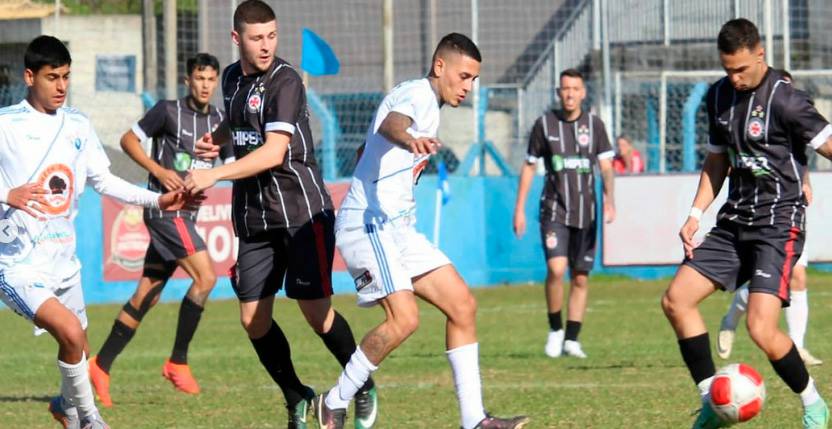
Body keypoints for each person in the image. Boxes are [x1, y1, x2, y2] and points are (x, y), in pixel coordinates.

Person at [311, 33, 528, 429]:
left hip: (398, 228)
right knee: (405, 319)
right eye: (463, 76)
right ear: (439, 66)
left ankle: (474, 420)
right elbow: (394, 125)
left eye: (473, 80)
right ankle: (335, 400)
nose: (468, 86)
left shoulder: (427, 101)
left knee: (462, 306)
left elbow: (367, 149)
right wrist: (411, 139)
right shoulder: (419, 96)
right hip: (369, 222)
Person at [183, 1, 377, 428]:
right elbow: (238, 124)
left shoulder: (286, 80)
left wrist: (212, 174)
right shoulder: (232, 77)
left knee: (316, 313)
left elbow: (273, 153)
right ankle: (297, 395)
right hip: (254, 217)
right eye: (256, 38)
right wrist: (215, 139)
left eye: (272, 35)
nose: (266, 45)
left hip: (300, 212)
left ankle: (360, 381)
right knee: (253, 319)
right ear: (237, 39)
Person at [0, 35, 195, 429]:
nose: (61, 86)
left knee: (79, 346)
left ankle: (66, 409)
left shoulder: (78, 124)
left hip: (64, 262)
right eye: (52, 77)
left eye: (66, 77)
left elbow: (104, 181)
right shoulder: (6, 125)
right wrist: (8, 194)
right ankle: (91, 420)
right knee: (71, 334)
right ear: (28, 76)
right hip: (17, 262)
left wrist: (157, 200)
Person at [660, 18, 832, 428]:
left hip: (778, 224)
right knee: (676, 301)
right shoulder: (717, 96)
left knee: (760, 327)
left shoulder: (787, 100)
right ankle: (712, 401)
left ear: (760, 54)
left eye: (741, 69)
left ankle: (813, 405)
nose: (734, 78)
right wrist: (695, 214)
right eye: (727, 70)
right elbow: (717, 159)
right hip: (734, 221)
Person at [87, 53, 235, 407]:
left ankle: (100, 365)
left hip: (189, 216)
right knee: (206, 279)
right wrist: (159, 169)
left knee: (147, 294)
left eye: (211, 79)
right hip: (166, 212)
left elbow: (231, 165)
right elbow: (128, 140)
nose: (205, 85)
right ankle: (178, 362)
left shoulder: (220, 122)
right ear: (188, 81)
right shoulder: (167, 111)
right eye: (199, 78)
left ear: (216, 83)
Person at [512, 68, 616, 359]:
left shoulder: (595, 126)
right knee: (557, 269)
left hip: (587, 212)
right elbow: (530, 165)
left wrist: (610, 199)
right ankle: (555, 329)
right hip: (554, 210)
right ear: (559, 93)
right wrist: (519, 208)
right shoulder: (544, 125)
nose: (569, 94)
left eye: (575, 89)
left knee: (580, 278)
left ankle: (572, 338)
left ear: (583, 93)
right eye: (565, 89)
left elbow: (606, 167)